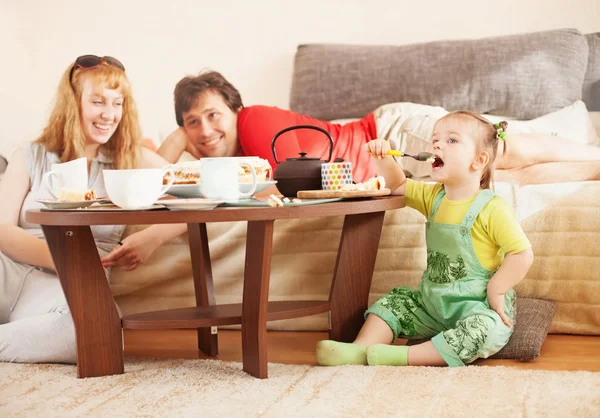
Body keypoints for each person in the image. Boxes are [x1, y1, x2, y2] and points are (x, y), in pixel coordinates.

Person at [0, 55, 186, 364]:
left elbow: (198, 195)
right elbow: (2, 229)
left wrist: (150, 238)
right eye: (98, 102)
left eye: (118, 103)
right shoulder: (30, 155)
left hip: (64, 289)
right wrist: (62, 259)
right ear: (73, 103)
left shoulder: (129, 157)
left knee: (92, 331)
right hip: (10, 268)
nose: (109, 114)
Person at [316, 111, 535, 367]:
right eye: (435, 140)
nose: (437, 145)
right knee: (393, 303)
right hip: (431, 305)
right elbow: (397, 185)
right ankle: (359, 349)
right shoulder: (434, 197)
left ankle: (402, 357)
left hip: (476, 306)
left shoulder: (492, 208)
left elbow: (521, 254)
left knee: (484, 330)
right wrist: (383, 158)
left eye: (451, 140)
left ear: (479, 160)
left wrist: (497, 289)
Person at [158, 70, 600, 186]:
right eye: (191, 123)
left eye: (212, 115)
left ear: (235, 109)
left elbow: (290, 179)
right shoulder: (230, 160)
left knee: (500, 151)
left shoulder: (255, 121)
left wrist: (185, 140)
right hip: (394, 171)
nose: (204, 129)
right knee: (498, 179)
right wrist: (181, 138)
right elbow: (152, 169)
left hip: (390, 133)